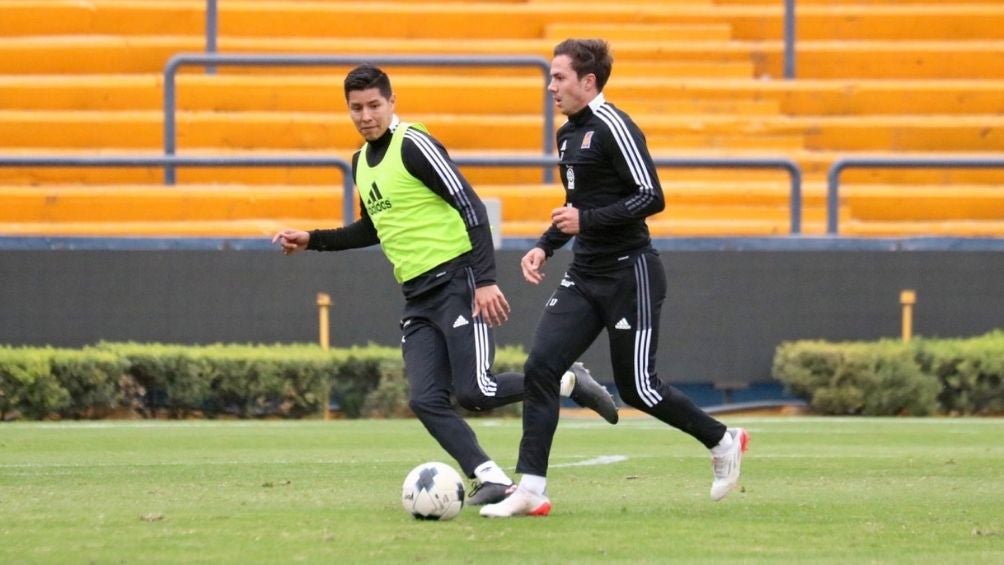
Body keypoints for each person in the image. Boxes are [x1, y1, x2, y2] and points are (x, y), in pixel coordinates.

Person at [272, 64, 619, 506]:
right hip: (417, 297)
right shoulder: (361, 162)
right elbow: (372, 228)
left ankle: (568, 380)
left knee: (477, 391)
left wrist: (486, 280)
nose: (365, 115)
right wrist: (312, 240)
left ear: (391, 102)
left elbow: (469, 204)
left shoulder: (414, 144)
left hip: (457, 279)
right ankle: (490, 477)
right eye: (356, 108)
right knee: (425, 398)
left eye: (374, 105)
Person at [480, 39, 749, 518]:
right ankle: (531, 489)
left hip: (631, 274)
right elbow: (576, 205)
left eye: (559, 77)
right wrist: (545, 244)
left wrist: (587, 223)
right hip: (585, 274)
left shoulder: (615, 127)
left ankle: (723, 439)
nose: (551, 86)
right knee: (541, 365)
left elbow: (652, 196)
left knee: (638, 388)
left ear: (588, 81)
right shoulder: (567, 135)